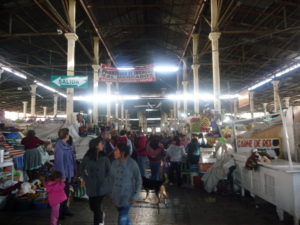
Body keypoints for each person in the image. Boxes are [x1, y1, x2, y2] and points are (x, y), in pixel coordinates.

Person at [80, 137, 111, 225]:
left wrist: (107, 181)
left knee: (96, 207)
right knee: (92, 207)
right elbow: (81, 169)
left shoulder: (104, 157)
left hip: (102, 186)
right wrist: (86, 178)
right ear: (96, 146)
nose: (103, 145)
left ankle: (99, 221)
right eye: (101, 144)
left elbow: (109, 171)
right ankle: (101, 215)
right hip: (91, 186)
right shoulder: (88, 157)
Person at [110, 143, 142, 225]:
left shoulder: (132, 164)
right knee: (125, 218)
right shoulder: (114, 163)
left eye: (116, 150)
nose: (114, 152)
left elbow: (139, 180)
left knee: (121, 219)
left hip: (128, 197)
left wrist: (135, 195)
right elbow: (110, 179)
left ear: (122, 153)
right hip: (116, 197)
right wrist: (110, 194)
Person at [54, 128, 76, 219]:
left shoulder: (66, 145)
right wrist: (62, 176)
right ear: (66, 136)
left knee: (66, 193)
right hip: (64, 174)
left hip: (68, 173)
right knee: (61, 194)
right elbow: (59, 162)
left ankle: (65, 209)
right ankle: (60, 213)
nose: (68, 135)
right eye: (68, 134)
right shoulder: (59, 146)